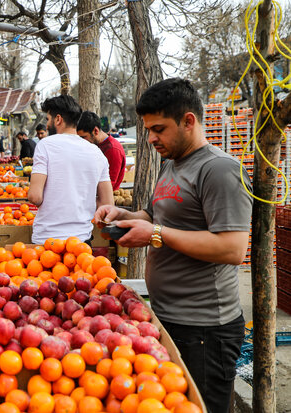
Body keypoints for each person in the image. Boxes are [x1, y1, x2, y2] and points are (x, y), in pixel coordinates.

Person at [93, 78, 252, 413]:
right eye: (148, 129)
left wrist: (154, 234)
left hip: (205, 329)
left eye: (159, 129)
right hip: (167, 318)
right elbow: (155, 215)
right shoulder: (172, 164)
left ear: (189, 121)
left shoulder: (219, 170)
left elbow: (233, 249)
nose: (151, 138)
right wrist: (122, 215)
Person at [28, 95, 113, 244]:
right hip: (81, 240)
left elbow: (35, 197)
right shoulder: (97, 153)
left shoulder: (45, 145)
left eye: (48, 119)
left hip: (47, 240)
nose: (47, 125)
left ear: (58, 119)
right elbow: (107, 204)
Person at [77, 111, 126, 191]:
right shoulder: (93, 146)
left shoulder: (113, 149)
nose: (81, 141)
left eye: (83, 137)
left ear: (95, 131)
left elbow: (109, 185)